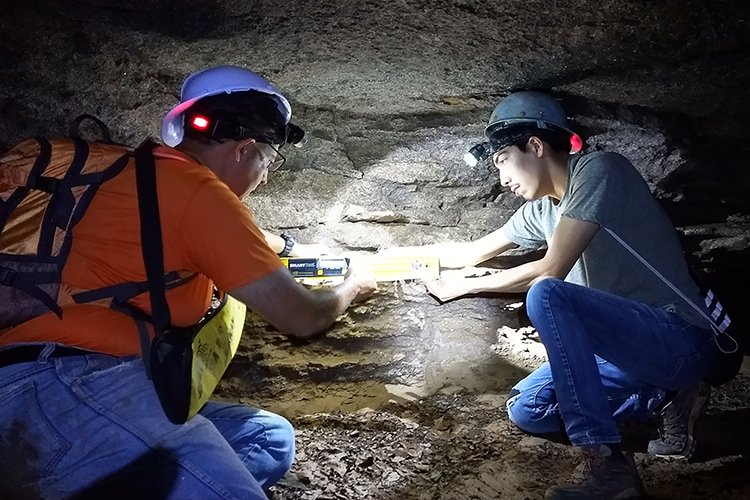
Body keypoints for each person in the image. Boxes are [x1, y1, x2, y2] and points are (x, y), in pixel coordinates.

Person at [0, 65, 376, 500]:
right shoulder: (199, 192)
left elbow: (216, 237)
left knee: (267, 437)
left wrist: (293, 248)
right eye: (269, 161)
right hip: (67, 387)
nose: (266, 176)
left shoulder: (138, 176)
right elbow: (303, 317)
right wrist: (354, 285)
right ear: (244, 149)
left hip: (31, 385)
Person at [384, 91, 716, 499]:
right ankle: (665, 400)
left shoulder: (599, 171)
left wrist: (468, 284)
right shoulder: (541, 210)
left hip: (676, 336)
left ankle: (606, 463)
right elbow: (470, 251)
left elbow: (550, 268)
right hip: (624, 353)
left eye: (503, 160)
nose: (501, 178)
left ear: (536, 146)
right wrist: (386, 258)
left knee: (547, 294)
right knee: (528, 408)